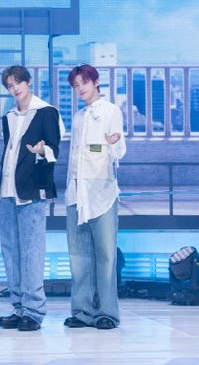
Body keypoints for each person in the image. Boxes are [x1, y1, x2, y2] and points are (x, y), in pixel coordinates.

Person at [0, 65, 63, 331]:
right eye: (10, 85)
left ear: (28, 82)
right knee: (11, 252)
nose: (15, 89)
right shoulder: (9, 116)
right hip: (7, 191)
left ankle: (34, 311)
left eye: (18, 83)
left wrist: (41, 150)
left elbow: (54, 149)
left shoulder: (46, 112)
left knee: (31, 251)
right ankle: (18, 307)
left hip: (32, 191)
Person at [65, 64, 126, 330]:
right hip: (76, 194)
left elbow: (119, 151)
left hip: (102, 193)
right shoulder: (78, 117)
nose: (80, 89)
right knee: (79, 256)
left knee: (105, 255)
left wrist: (114, 142)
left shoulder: (111, 111)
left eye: (84, 83)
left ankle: (107, 313)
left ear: (96, 82)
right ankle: (82, 311)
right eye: (76, 85)